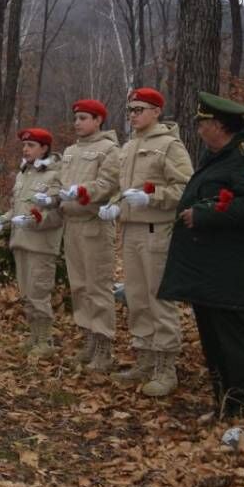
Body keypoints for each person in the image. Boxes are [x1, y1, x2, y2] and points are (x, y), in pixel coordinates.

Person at [159, 92, 244, 418]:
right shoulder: (221, 155)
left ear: (219, 125)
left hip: (231, 266)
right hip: (209, 266)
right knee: (214, 340)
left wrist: (204, 214)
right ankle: (225, 404)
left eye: (203, 124)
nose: (199, 131)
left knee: (236, 340)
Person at [98, 87, 193, 397]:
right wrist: (115, 203)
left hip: (157, 229)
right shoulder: (128, 147)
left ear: (156, 112)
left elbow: (186, 189)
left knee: (158, 298)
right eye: (131, 110)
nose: (134, 115)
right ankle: (145, 358)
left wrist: (153, 196)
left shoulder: (169, 146)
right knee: (137, 297)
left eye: (140, 109)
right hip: (131, 230)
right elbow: (123, 188)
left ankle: (166, 368)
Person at [0, 128, 63, 359]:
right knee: (27, 295)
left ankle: (45, 340)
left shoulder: (54, 175)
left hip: (41, 244)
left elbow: (58, 213)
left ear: (44, 148)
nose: (25, 150)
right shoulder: (23, 174)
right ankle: (34, 336)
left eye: (31, 145)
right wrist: (2, 220)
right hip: (20, 242)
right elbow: (16, 208)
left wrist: (32, 221)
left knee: (39, 294)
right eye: (24, 145)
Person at [56, 99, 121, 372]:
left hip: (94, 224)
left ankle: (104, 345)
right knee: (80, 286)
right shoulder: (70, 151)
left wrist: (82, 191)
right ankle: (89, 339)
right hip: (71, 224)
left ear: (98, 120)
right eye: (76, 118)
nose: (78, 123)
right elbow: (60, 182)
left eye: (84, 118)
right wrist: (54, 196)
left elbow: (108, 183)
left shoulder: (109, 150)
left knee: (98, 286)